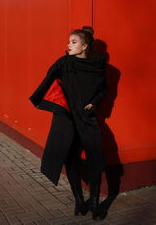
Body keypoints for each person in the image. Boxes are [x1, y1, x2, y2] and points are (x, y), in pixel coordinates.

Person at [29, 26, 106, 220]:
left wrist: (94, 103)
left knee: (95, 159)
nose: (68, 45)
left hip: (87, 118)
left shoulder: (98, 66)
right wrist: (58, 104)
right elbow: (48, 81)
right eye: (69, 42)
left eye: (73, 42)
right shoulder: (64, 63)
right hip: (66, 118)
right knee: (69, 158)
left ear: (84, 46)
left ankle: (95, 204)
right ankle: (79, 201)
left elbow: (103, 89)